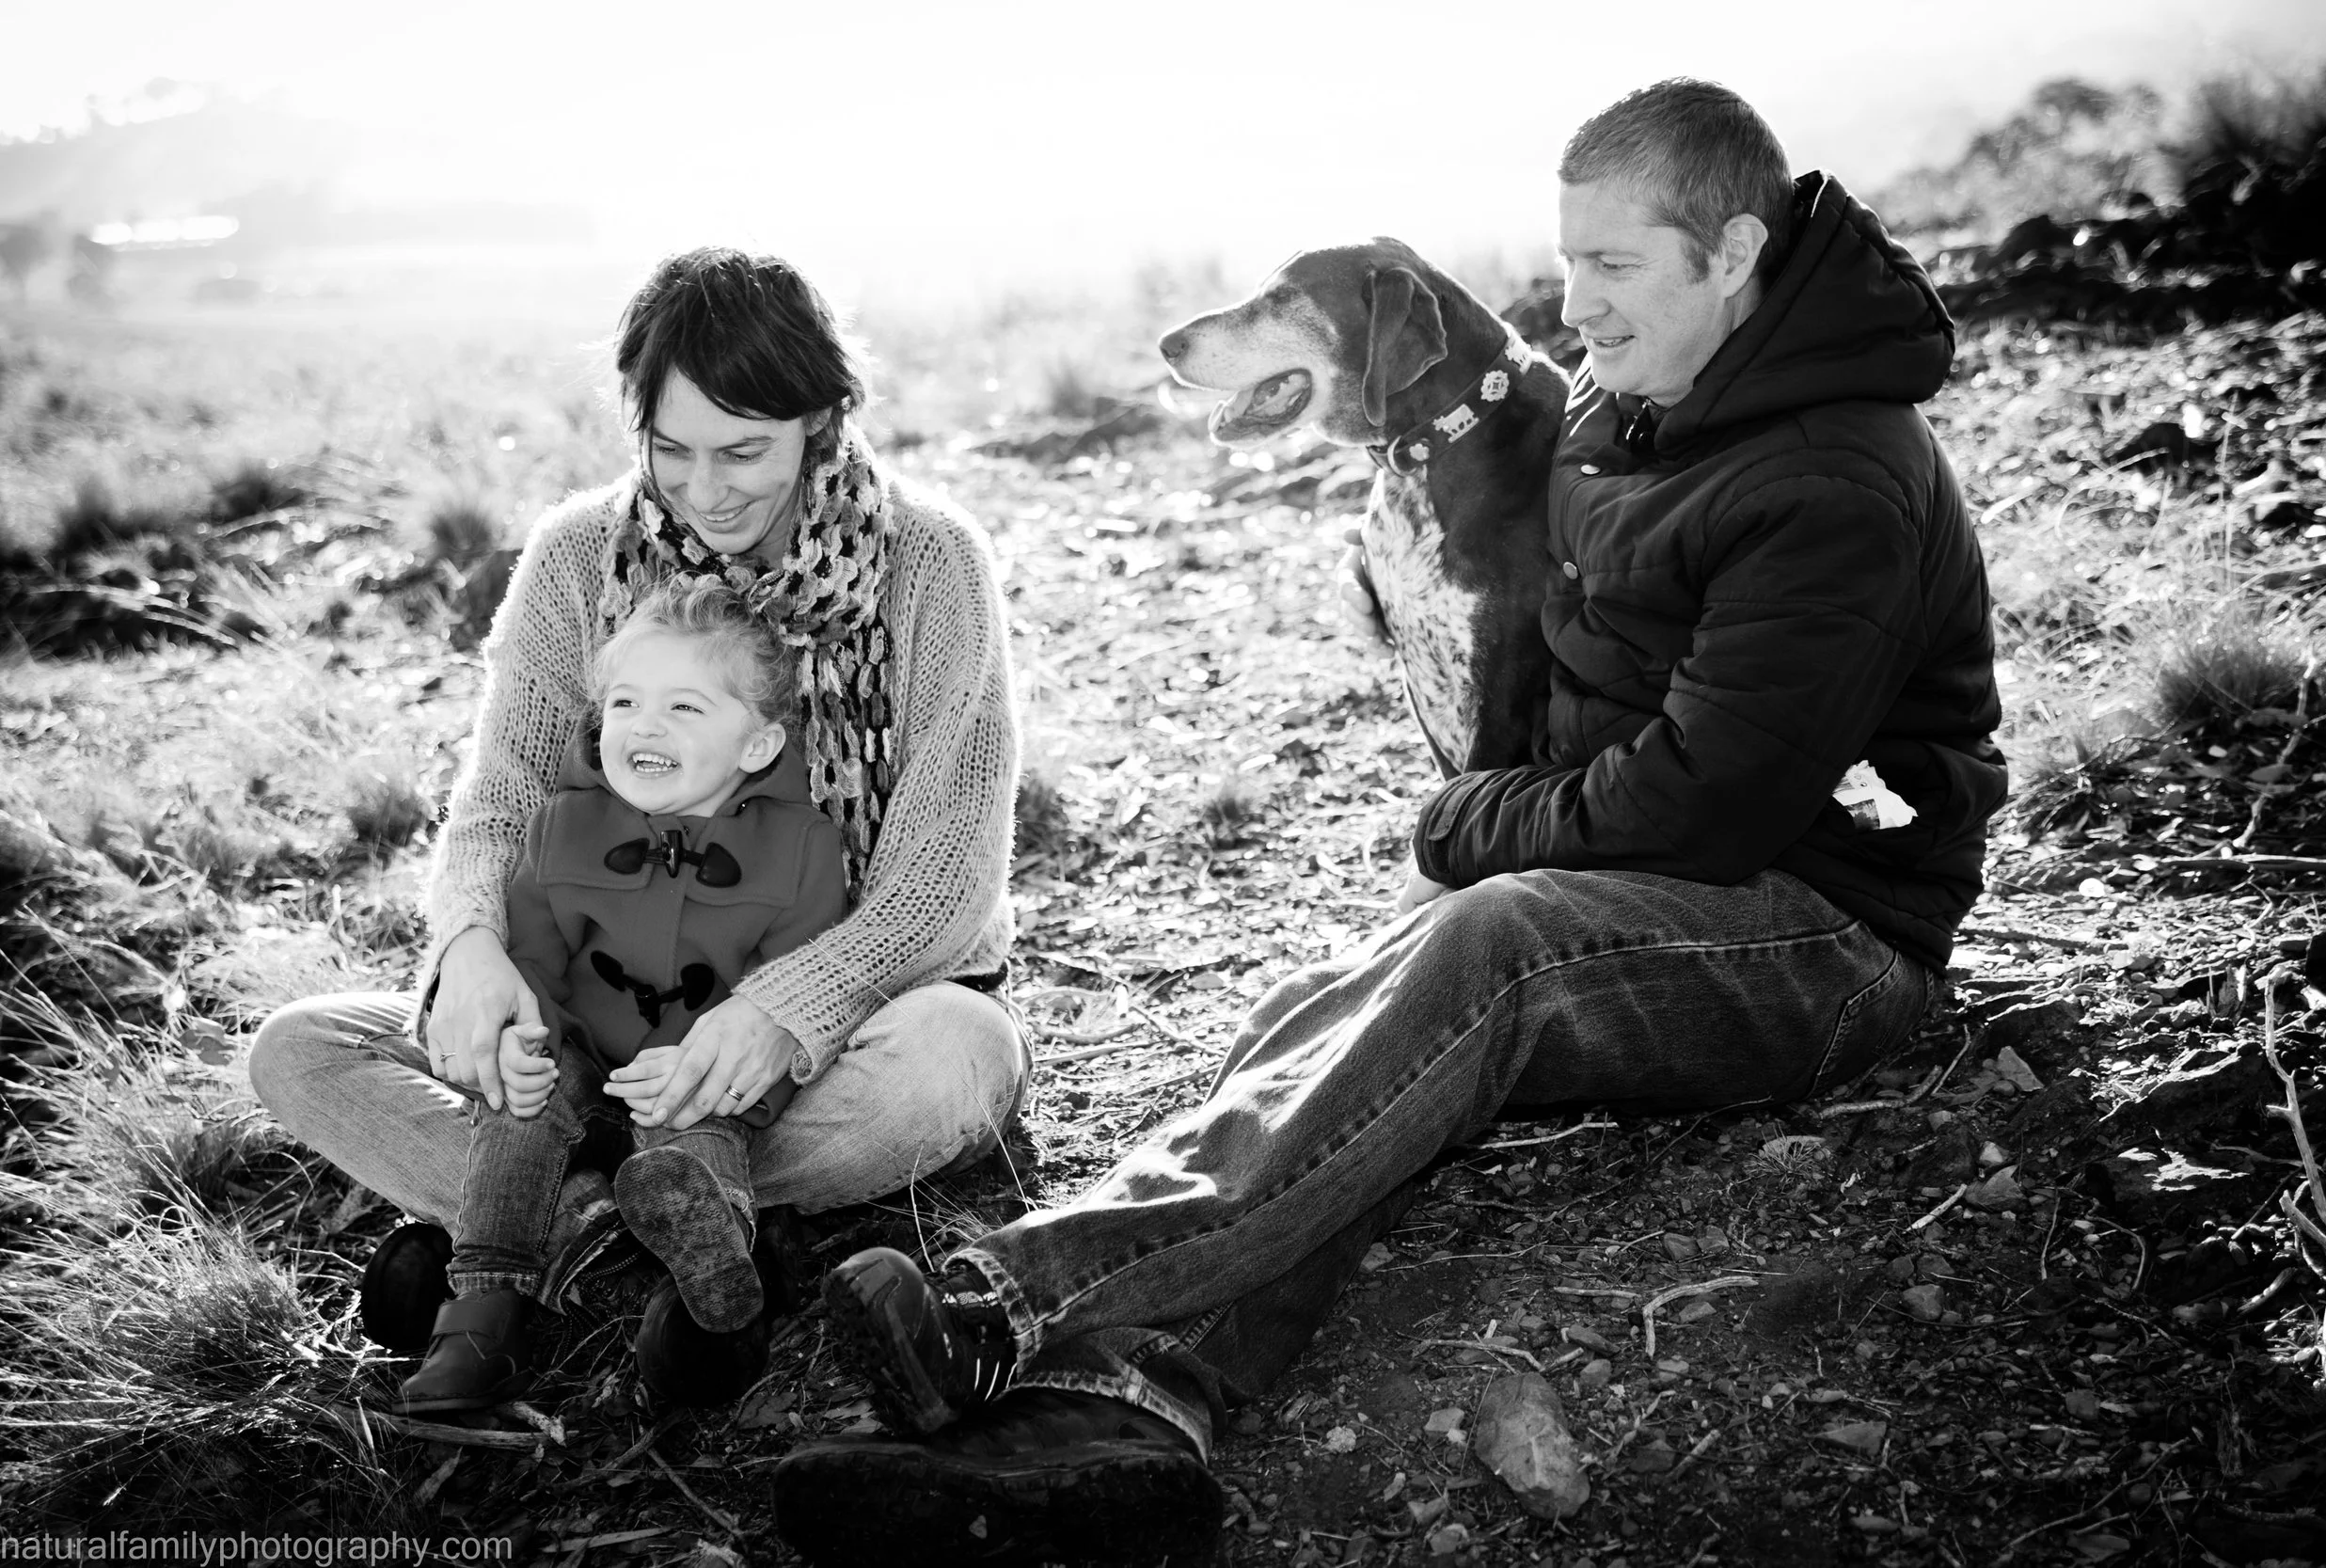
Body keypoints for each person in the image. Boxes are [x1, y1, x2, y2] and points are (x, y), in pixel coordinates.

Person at [768, 78, 2005, 1564]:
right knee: (1349, 1010)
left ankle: (1013, 1298)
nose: (1578, 307)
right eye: (1569, 263)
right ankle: (1126, 1410)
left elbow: (1701, 805)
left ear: (1734, 250)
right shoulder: (1649, 398)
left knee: (1485, 946)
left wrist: (1469, 818)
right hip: (1669, 879)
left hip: (1829, 930)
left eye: (1615, 268)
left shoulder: (1832, 477)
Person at [248, 246, 1027, 1410]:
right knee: (300, 1047)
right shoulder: (577, 556)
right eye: (673, 449)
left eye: (746, 450)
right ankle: (678, 1222)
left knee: (959, 1061)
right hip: (599, 1014)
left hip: (839, 1018)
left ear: (822, 420)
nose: (706, 490)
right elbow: (499, 799)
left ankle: (538, 1221)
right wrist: (467, 951)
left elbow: (942, 883)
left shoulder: (930, 563)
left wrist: (784, 1011)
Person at [398, 577, 849, 1413]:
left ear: (757, 746)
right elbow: (530, 952)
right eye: (627, 702)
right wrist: (524, 1040)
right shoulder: (563, 825)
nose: (645, 725)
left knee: (690, 1136)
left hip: (693, 1073)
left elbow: (799, 983)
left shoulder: (802, 848)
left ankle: (707, 1295)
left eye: (685, 709)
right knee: (517, 1111)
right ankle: (480, 1317)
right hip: (579, 1053)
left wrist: (726, 1070)